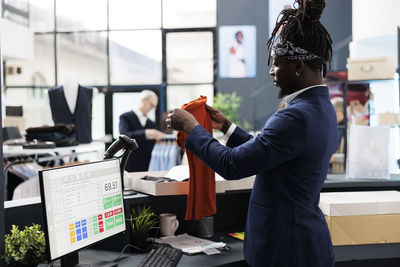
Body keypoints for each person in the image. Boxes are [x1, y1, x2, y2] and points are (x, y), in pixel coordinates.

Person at [166, 0, 337, 266]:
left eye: (277, 64)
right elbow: (270, 151)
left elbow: (232, 165)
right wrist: (226, 126)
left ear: (299, 67)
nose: (272, 71)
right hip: (301, 242)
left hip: (287, 249)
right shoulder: (320, 108)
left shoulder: (296, 116)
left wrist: (192, 128)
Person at [119, 90, 165, 172]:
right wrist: (146, 133)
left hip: (147, 166)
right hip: (130, 163)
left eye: (154, 106)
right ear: (143, 100)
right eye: (151, 105)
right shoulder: (126, 117)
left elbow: (160, 133)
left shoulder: (150, 122)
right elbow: (125, 135)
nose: (152, 109)